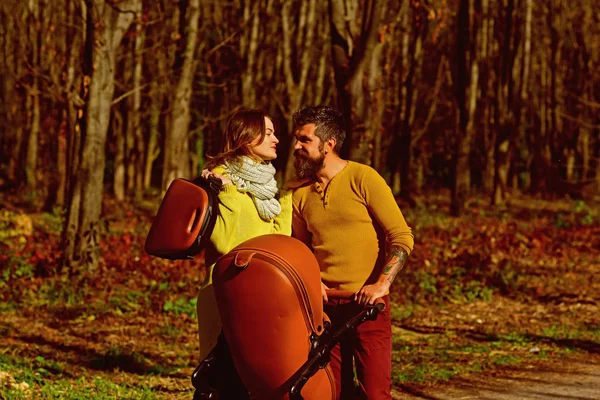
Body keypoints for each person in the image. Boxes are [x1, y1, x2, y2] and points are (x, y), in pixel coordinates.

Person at [287, 106, 414, 400]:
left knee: (374, 394)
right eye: (297, 139)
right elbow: (301, 248)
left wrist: (382, 284)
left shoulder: (363, 178)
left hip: (367, 308)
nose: (296, 146)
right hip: (324, 311)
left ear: (328, 144)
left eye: (304, 140)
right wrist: (312, 282)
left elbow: (401, 235)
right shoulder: (300, 193)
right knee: (332, 393)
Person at [195, 107, 292, 398]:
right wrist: (225, 192)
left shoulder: (264, 185)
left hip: (257, 296)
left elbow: (277, 239)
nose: (277, 139)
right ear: (248, 138)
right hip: (226, 295)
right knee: (221, 385)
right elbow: (226, 244)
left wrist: (287, 200)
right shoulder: (220, 180)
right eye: (269, 132)